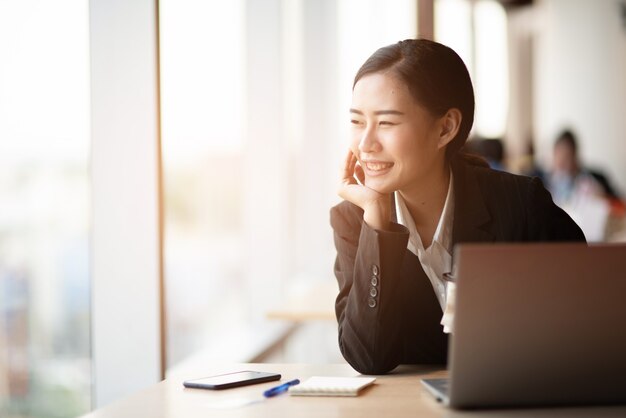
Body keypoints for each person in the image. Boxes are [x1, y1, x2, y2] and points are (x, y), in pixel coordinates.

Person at [330, 39, 585, 375]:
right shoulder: (353, 219)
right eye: (358, 121)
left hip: (516, 398)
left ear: (446, 127)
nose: (366, 144)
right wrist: (377, 225)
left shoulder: (522, 205)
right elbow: (368, 358)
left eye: (387, 123)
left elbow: (586, 319)